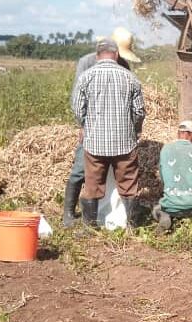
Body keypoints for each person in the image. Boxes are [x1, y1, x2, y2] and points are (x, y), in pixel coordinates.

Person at [62, 27, 142, 227]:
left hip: (96, 138)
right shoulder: (87, 63)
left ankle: (93, 226)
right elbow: (139, 111)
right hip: (113, 137)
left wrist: (86, 123)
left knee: (93, 183)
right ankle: (69, 214)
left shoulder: (118, 69)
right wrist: (134, 129)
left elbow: (77, 105)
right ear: (115, 53)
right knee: (82, 171)